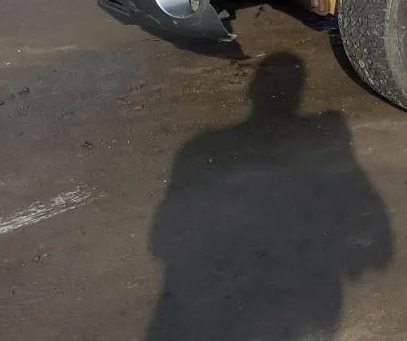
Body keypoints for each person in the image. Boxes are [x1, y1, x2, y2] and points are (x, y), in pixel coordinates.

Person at [146, 54, 391, 341]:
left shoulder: (198, 150)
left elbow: (162, 242)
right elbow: (376, 248)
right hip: (302, 309)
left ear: (250, 92)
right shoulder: (322, 141)